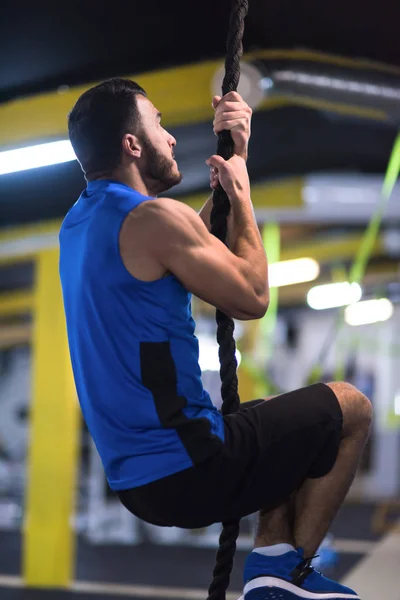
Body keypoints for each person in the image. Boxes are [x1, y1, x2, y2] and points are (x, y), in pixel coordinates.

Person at [59, 78, 371, 600]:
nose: (173, 138)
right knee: (351, 408)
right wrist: (242, 193)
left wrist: (236, 159)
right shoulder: (153, 219)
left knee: (285, 419)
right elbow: (251, 295)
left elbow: (190, 252)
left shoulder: (82, 224)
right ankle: (288, 576)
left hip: (137, 483)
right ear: (133, 145)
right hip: (190, 467)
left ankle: (272, 566)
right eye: (159, 124)